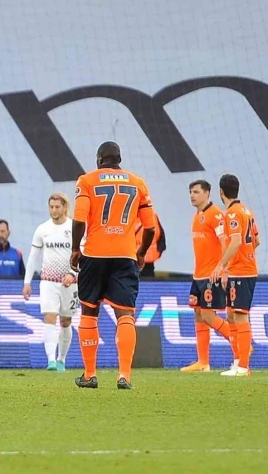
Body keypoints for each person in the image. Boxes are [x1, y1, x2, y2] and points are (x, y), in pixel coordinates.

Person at [70, 141, 155, 390]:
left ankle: (90, 374)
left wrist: (76, 249)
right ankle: (124, 376)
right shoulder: (137, 183)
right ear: (119, 159)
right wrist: (140, 253)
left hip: (95, 255)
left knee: (89, 312)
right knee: (125, 315)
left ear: (99, 159)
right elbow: (149, 228)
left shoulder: (87, 180)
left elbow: (78, 220)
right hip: (125, 256)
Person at [22, 193, 79, 372]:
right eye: (51, 207)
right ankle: (51, 361)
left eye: (57, 207)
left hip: (70, 282)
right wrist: (27, 282)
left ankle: (62, 359)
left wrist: (72, 273)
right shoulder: (42, 229)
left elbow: (82, 255)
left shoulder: (74, 228)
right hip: (48, 281)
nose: (54, 210)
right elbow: (33, 257)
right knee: (49, 317)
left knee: (66, 321)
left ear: (65, 208)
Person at [210, 174, 259, 377]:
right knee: (231, 314)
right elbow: (256, 241)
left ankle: (243, 366)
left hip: (242, 272)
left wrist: (221, 266)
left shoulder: (231, 214)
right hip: (241, 269)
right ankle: (238, 360)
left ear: (221, 192)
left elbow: (236, 241)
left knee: (239, 315)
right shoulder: (247, 211)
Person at [180, 180, 232, 373]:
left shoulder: (215, 215)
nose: (192, 195)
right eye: (190, 192)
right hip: (198, 274)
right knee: (198, 314)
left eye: (196, 192)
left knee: (209, 316)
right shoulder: (197, 216)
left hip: (212, 275)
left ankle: (240, 345)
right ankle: (203, 362)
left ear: (207, 193)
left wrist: (223, 268)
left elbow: (224, 240)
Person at [134, 213, 167, 277]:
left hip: (140, 260)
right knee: (148, 284)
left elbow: (161, 237)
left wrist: (159, 250)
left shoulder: (128, 217)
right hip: (138, 260)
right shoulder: (153, 216)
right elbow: (161, 236)